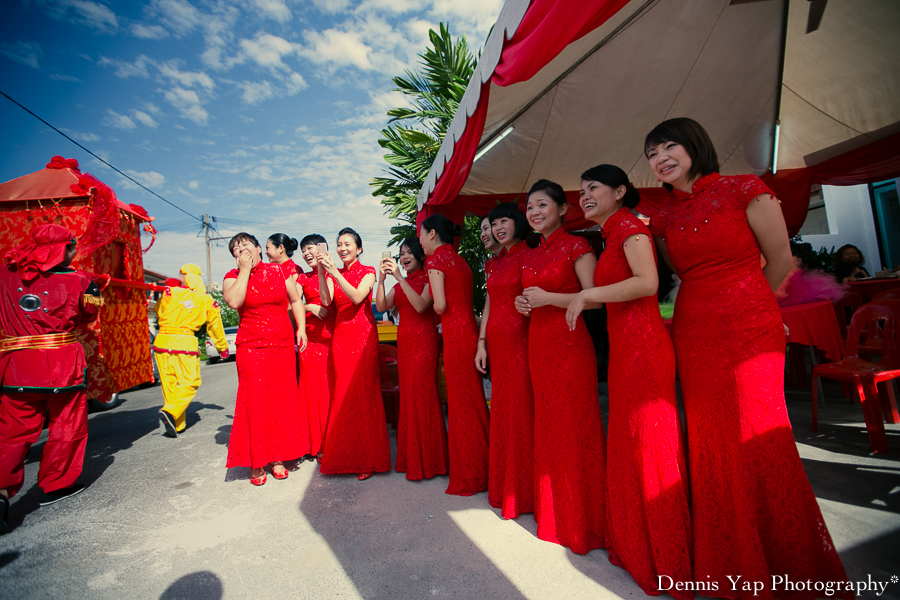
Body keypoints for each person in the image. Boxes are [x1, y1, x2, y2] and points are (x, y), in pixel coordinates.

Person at [644, 117, 849, 599]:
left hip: (749, 323)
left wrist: (754, 305)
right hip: (695, 329)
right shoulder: (666, 217)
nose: (660, 159)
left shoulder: (745, 189)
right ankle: (728, 558)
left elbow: (780, 258)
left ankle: (787, 562)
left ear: (695, 145)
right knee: (712, 439)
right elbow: (682, 273)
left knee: (759, 433)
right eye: (652, 153)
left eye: (669, 147)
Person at [565, 165, 691, 595]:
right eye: (581, 191)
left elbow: (647, 283)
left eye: (593, 188)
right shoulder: (611, 231)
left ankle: (667, 554)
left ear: (620, 191)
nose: (584, 196)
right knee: (632, 443)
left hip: (644, 349)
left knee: (650, 443)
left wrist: (587, 293)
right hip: (625, 350)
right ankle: (638, 542)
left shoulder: (630, 227)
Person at [514, 179, 606, 555]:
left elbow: (596, 299)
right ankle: (554, 512)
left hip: (570, 345)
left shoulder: (578, 246)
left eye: (542, 205)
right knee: (549, 423)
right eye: (530, 207)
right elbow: (532, 299)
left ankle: (585, 516)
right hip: (539, 345)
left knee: (574, 424)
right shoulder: (532, 253)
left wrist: (549, 298)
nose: (535, 213)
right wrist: (526, 305)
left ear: (562, 209)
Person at [0, 224, 100, 531]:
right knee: (66, 425)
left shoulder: (4, 274)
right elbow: (88, 316)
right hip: (60, 366)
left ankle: (1, 491)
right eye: (73, 247)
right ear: (66, 248)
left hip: (15, 366)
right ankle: (57, 483)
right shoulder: (80, 280)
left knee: (11, 433)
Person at [223, 233, 309, 485]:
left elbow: (295, 300)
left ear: (259, 247)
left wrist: (301, 328)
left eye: (245, 245)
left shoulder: (279, 271)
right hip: (251, 346)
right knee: (256, 401)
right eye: (236, 249)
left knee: (279, 400)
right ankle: (258, 460)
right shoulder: (232, 276)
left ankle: (278, 456)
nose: (242, 250)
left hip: (281, 344)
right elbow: (234, 300)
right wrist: (245, 271)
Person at [419, 215, 490, 496]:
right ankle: (485, 464)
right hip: (470, 331)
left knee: (461, 405)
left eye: (422, 236)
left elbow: (439, 305)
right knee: (472, 401)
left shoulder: (435, 261)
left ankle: (471, 471)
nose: (421, 242)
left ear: (433, 234)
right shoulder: (459, 261)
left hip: (455, 335)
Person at [315, 228, 391, 480]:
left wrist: (335, 272)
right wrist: (321, 271)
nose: (342, 248)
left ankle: (369, 458)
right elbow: (326, 301)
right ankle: (345, 456)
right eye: (339, 244)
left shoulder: (368, 271)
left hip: (363, 336)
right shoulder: (333, 274)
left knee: (363, 394)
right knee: (343, 395)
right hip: (341, 338)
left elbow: (358, 297)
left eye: (347, 244)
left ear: (358, 249)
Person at [474, 203, 535, 519]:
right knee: (502, 410)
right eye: (492, 223)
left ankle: (523, 489)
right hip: (496, 344)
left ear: (518, 223)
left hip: (522, 342)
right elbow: (489, 303)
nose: (496, 228)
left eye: (502, 222)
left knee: (521, 411)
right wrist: (481, 342)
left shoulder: (531, 255)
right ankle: (503, 483)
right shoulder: (492, 265)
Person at [376, 237, 449, 481]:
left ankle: (431, 460)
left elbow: (420, 306)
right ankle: (412, 459)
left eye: (409, 252)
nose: (404, 257)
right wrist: (382, 278)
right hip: (405, 345)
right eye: (401, 253)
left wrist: (398, 278)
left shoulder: (430, 278)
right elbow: (380, 304)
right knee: (409, 398)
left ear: (420, 255)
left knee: (423, 397)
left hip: (424, 344)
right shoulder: (398, 285)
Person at [153, 263, 229, 437]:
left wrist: (166, 295)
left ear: (183, 275)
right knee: (190, 381)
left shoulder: (170, 292)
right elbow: (215, 325)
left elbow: (159, 312)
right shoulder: (206, 299)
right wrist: (222, 347)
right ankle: (171, 412)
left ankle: (176, 424)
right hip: (185, 342)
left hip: (162, 341)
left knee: (169, 384)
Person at [296, 234, 335, 461]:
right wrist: (308, 306)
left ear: (322, 249)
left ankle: (333, 440)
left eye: (311, 248)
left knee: (331, 391)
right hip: (310, 342)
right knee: (312, 393)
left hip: (333, 340)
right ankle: (315, 443)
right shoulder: (300, 279)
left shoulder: (335, 273)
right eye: (303, 250)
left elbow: (330, 302)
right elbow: (289, 308)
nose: (306, 253)